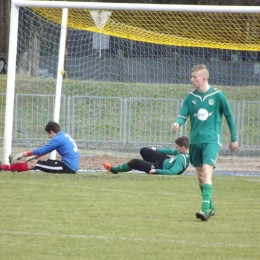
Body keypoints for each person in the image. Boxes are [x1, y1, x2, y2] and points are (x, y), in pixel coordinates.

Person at [172, 64, 239, 221]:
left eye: (194, 77)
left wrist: (234, 138)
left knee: (207, 172)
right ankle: (211, 206)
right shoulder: (190, 97)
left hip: (211, 141)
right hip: (195, 141)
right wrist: (177, 123)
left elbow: (229, 116)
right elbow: (183, 115)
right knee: (200, 177)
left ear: (203, 78)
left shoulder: (218, 96)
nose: (191, 79)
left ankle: (204, 210)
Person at [1, 121, 80, 174]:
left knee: (35, 164)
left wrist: (24, 154)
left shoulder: (58, 139)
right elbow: (45, 151)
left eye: (48, 134)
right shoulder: (63, 135)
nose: (49, 137)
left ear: (51, 131)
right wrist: (36, 156)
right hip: (68, 165)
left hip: (67, 167)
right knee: (39, 161)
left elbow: (43, 150)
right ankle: (15, 167)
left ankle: (5, 167)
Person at [103, 136, 189, 175]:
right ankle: (147, 167)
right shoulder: (182, 151)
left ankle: (114, 169)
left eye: (177, 147)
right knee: (144, 150)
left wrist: (156, 171)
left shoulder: (182, 158)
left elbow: (173, 172)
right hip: (163, 160)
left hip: (160, 167)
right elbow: (171, 151)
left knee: (134, 162)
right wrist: (157, 149)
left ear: (183, 147)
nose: (176, 148)